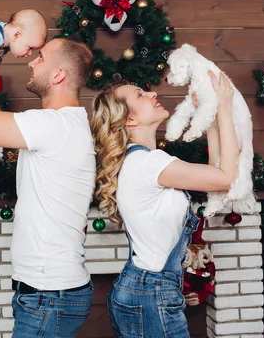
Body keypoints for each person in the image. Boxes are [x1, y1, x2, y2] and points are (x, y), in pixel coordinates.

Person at [0, 14, 96, 336]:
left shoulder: (54, 126)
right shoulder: (59, 124)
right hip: (49, 293)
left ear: (58, 74)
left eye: (40, 59)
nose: (30, 63)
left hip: (49, 295)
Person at [90, 72, 240, 337]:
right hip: (151, 294)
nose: (152, 93)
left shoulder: (143, 161)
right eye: (140, 94)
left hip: (143, 291)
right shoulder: (150, 164)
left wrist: (213, 119)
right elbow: (226, 178)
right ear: (130, 118)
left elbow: (215, 174)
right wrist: (225, 108)